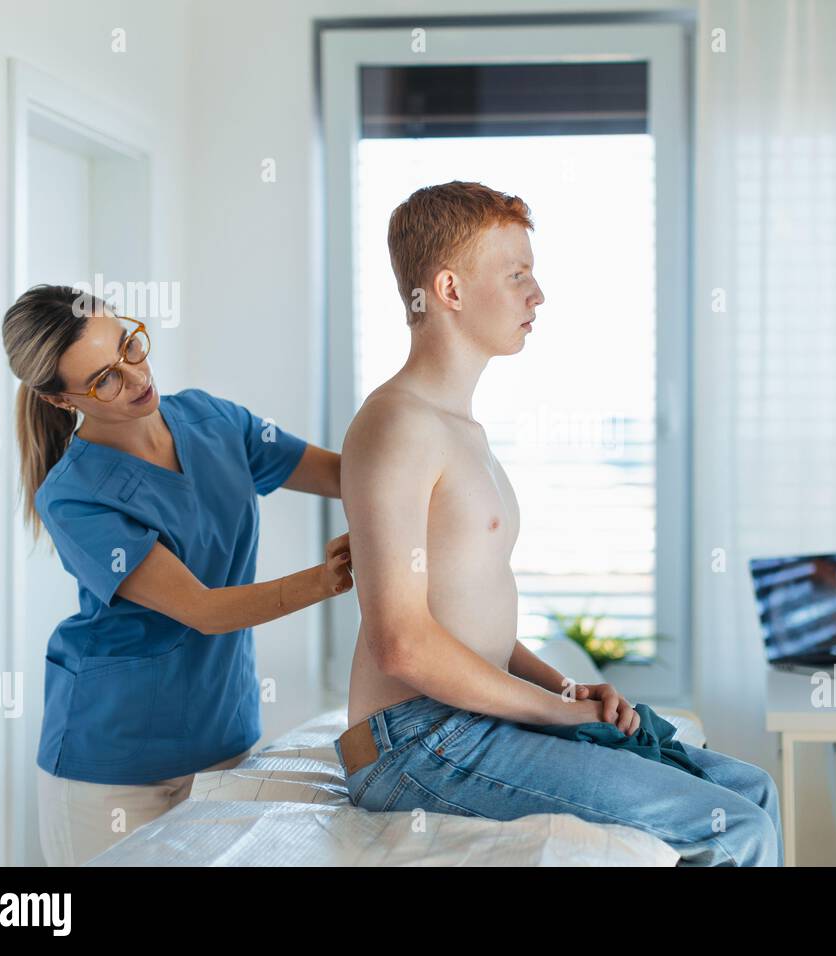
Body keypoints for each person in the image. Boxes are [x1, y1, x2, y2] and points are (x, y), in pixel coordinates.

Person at [333, 181, 783, 866]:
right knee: (732, 826)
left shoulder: (459, 428)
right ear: (449, 290)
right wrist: (557, 714)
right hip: (417, 742)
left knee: (752, 790)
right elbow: (404, 646)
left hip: (466, 722)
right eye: (516, 276)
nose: (536, 295)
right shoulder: (397, 425)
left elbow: (464, 620)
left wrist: (564, 688)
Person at [2, 284, 353, 865]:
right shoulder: (73, 496)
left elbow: (345, 475)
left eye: (129, 346)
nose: (137, 378)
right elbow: (204, 610)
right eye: (104, 379)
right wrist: (330, 578)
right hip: (111, 768)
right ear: (63, 401)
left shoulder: (214, 420)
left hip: (222, 740)